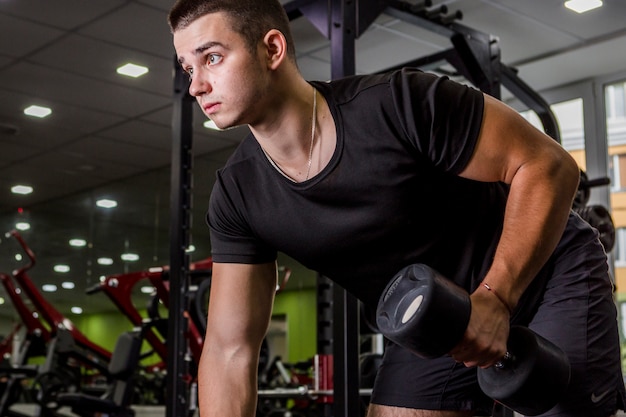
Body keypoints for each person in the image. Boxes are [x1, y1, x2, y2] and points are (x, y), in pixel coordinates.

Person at [168, 1, 626, 416]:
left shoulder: (396, 103)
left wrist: (496, 299)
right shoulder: (238, 193)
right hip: (435, 317)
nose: (197, 85)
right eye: (188, 68)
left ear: (271, 49)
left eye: (211, 57)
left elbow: (548, 165)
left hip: (547, 273)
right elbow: (231, 349)